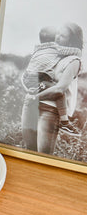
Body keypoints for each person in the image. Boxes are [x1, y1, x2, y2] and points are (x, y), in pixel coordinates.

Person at [21, 22, 83, 154]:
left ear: (71, 41)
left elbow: (60, 89)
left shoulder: (74, 60)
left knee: (44, 155)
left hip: (49, 109)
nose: (57, 37)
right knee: (29, 151)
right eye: (57, 34)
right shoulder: (51, 54)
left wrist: (34, 97)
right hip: (31, 104)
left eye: (62, 35)